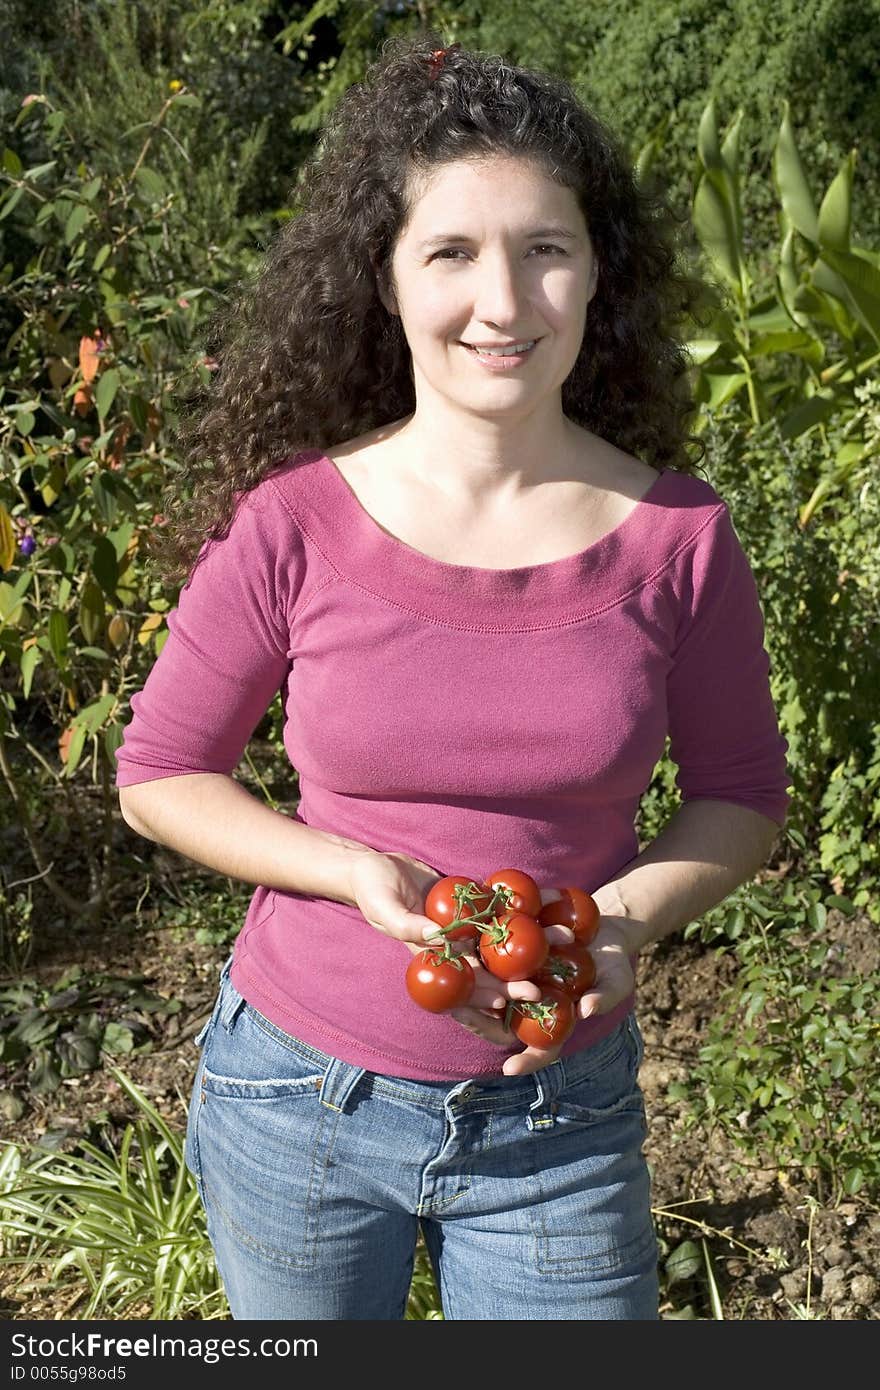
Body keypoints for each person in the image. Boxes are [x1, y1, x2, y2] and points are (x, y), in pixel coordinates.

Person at [114, 34, 790, 1322]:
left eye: (545, 248)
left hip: (560, 1117)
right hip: (298, 1101)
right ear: (385, 279)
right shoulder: (295, 524)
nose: (505, 301)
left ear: (599, 271)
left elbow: (741, 795)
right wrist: (348, 869)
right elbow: (160, 776)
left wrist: (623, 920)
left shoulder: (678, 540)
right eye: (451, 253)